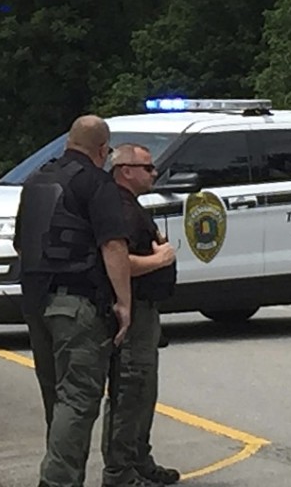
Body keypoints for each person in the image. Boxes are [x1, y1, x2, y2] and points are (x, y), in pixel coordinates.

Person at [13, 114, 133, 487]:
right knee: (78, 398)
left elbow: (21, 241)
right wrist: (123, 304)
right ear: (102, 150)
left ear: (68, 142)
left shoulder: (35, 181)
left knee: (57, 397)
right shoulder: (97, 184)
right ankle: (58, 481)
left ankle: (64, 474)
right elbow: (113, 245)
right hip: (77, 303)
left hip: (35, 301)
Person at [101, 143, 179, 486]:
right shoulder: (118, 208)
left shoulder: (132, 206)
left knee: (145, 390)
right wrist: (160, 260)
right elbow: (117, 261)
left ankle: (138, 460)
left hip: (148, 311)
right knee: (129, 389)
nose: (154, 173)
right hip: (132, 313)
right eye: (148, 168)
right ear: (126, 171)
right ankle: (119, 471)